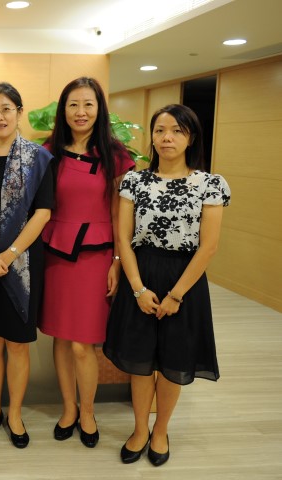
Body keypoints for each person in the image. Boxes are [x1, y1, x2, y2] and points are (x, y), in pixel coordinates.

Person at [104, 104, 230, 467]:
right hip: (141, 273)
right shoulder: (134, 181)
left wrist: (176, 295)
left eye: (176, 130)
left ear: (191, 137)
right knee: (140, 361)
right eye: (160, 130)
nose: (167, 138)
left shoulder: (210, 184)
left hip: (184, 280)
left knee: (174, 361)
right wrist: (138, 289)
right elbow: (123, 238)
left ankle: (160, 431)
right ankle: (139, 429)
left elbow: (209, 247)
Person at [38, 77, 134, 448]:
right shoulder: (48, 152)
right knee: (61, 338)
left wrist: (117, 261)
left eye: (88, 104)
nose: (81, 112)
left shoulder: (115, 154)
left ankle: (89, 412)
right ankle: (68, 409)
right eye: (73, 104)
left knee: (83, 343)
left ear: (99, 109)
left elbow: (121, 215)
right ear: (63, 109)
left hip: (97, 256)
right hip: (56, 254)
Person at [0, 82, 54, 449]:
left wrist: (9, 254)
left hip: (23, 265)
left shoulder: (39, 158)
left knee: (17, 344)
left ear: (19, 112)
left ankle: (14, 413)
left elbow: (43, 213)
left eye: (6, 109)